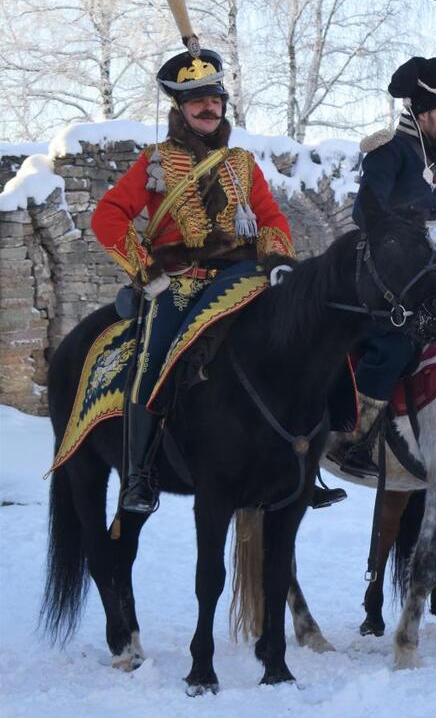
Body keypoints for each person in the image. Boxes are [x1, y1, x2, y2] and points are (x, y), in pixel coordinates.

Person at [92, 48, 295, 513]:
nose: (210, 108)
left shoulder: (242, 164)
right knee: (153, 359)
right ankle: (139, 475)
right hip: (179, 282)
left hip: (243, 275)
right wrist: (147, 272)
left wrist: (278, 258)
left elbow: (270, 219)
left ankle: (302, 458)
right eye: (198, 101)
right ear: (180, 108)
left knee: (293, 339)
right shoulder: (156, 162)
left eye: (215, 99)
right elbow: (108, 216)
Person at [329, 56, 436, 478]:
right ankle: (357, 439)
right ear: (423, 112)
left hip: (430, 270)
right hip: (384, 271)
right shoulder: (387, 151)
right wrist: (420, 233)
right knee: (394, 343)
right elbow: (367, 214)